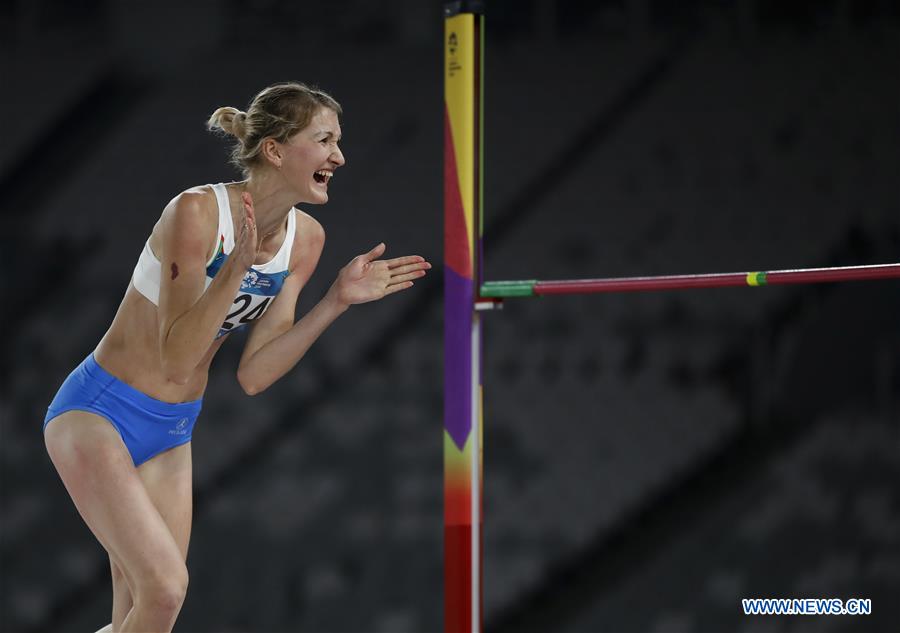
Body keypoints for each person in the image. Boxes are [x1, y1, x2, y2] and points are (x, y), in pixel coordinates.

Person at [42, 81, 431, 633]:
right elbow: (176, 355)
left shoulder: (306, 240)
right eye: (324, 141)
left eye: (338, 142)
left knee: (143, 612)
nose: (339, 157)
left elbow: (254, 373)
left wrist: (336, 302)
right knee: (165, 590)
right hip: (98, 413)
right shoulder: (197, 213)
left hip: (173, 429)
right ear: (275, 150)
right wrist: (235, 269)